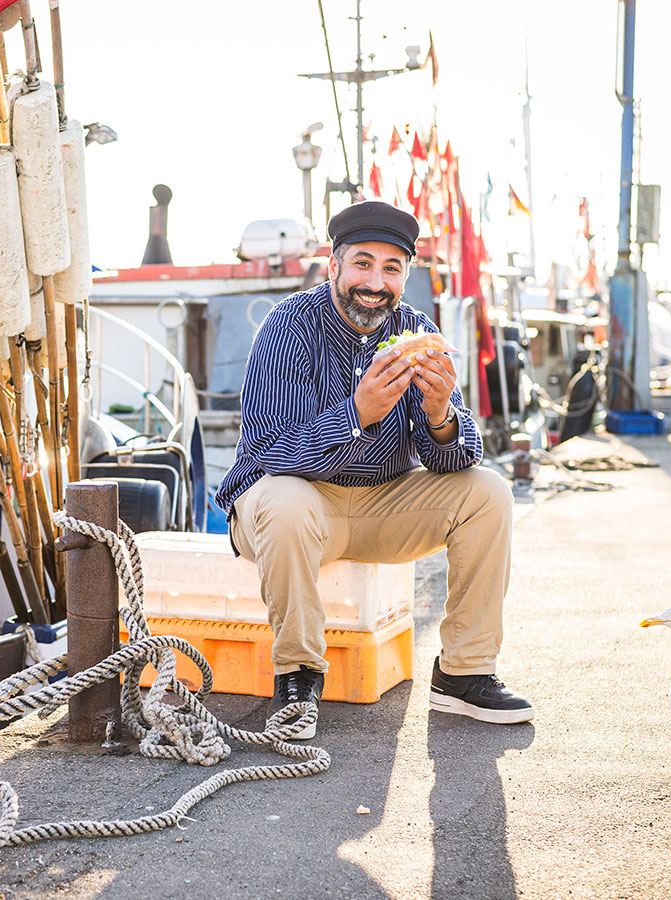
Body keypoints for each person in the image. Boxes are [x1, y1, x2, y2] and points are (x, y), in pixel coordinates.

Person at [216, 200, 533, 738]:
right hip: (288, 508)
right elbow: (271, 453)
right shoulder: (287, 328)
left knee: (488, 492)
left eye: (391, 269)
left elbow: (453, 462)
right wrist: (358, 414)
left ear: (405, 275)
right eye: (363, 264)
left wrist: (439, 416)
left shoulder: (416, 329)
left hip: (378, 505)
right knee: (288, 501)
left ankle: (463, 673)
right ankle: (298, 677)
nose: (375, 282)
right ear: (334, 264)